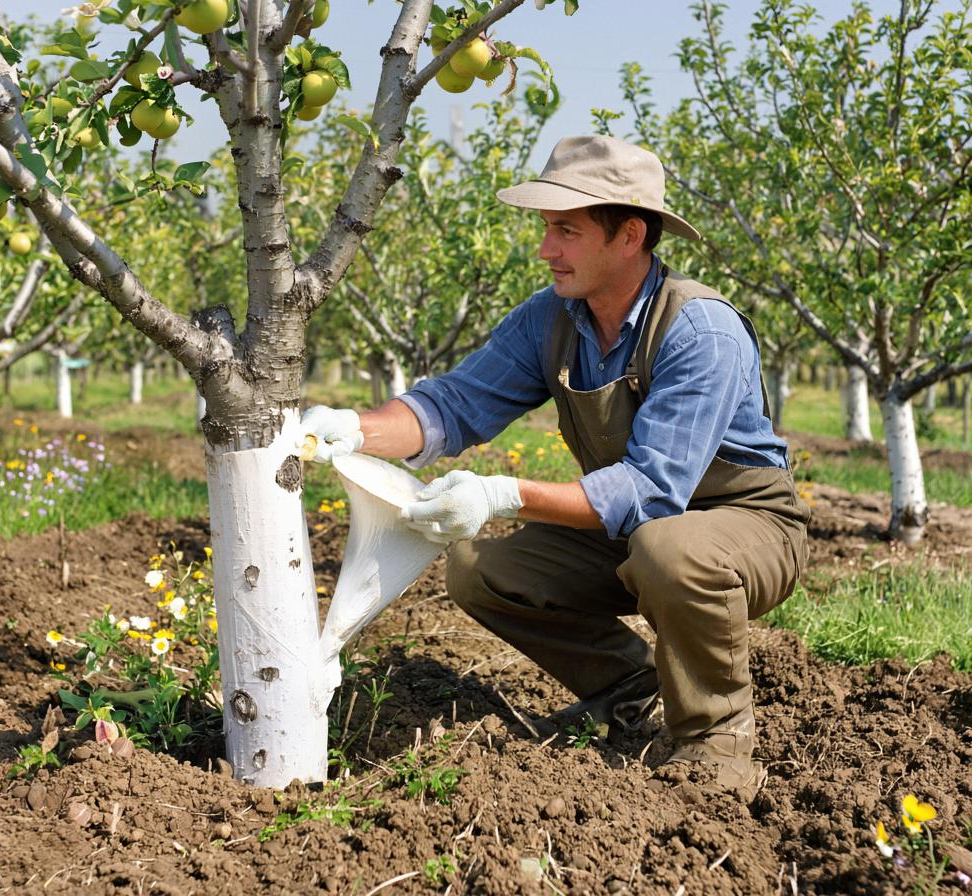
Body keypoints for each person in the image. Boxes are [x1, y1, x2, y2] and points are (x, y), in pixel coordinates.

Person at [302, 135, 810, 797]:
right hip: (635, 527)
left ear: (629, 236)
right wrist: (354, 429)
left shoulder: (699, 329)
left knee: (669, 548)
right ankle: (630, 690)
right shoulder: (554, 319)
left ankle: (715, 743)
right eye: (547, 229)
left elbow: (654, 489)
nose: (547, 249)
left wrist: (503, 493)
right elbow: (456, 403)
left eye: (565, 231)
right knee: (480, 569)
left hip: (743, 526)